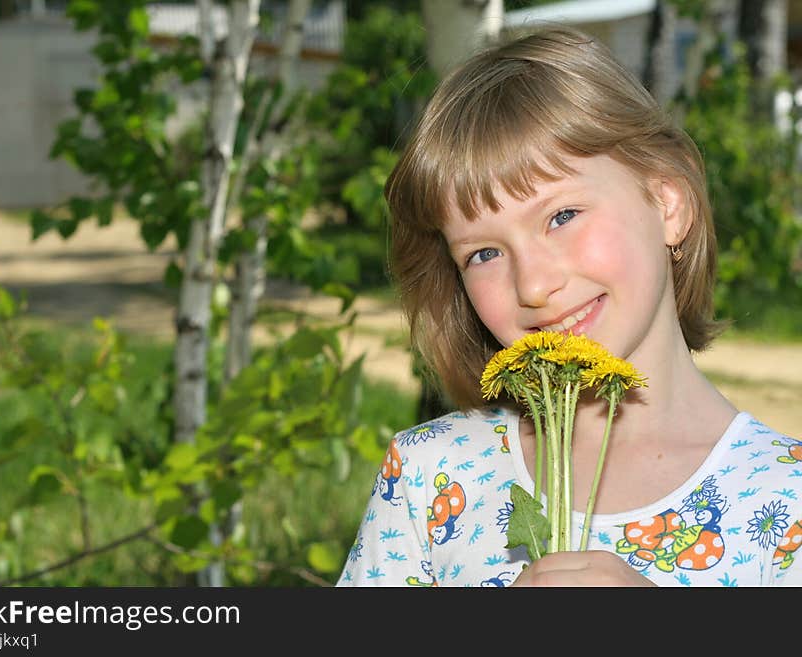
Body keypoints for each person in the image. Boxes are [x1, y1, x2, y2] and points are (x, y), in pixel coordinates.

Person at [336, 26, 802, 587]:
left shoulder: (786, 504)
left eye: (562, 216)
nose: (533, 284)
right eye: (484, 252)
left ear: (667, 203)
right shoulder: (430, 478)